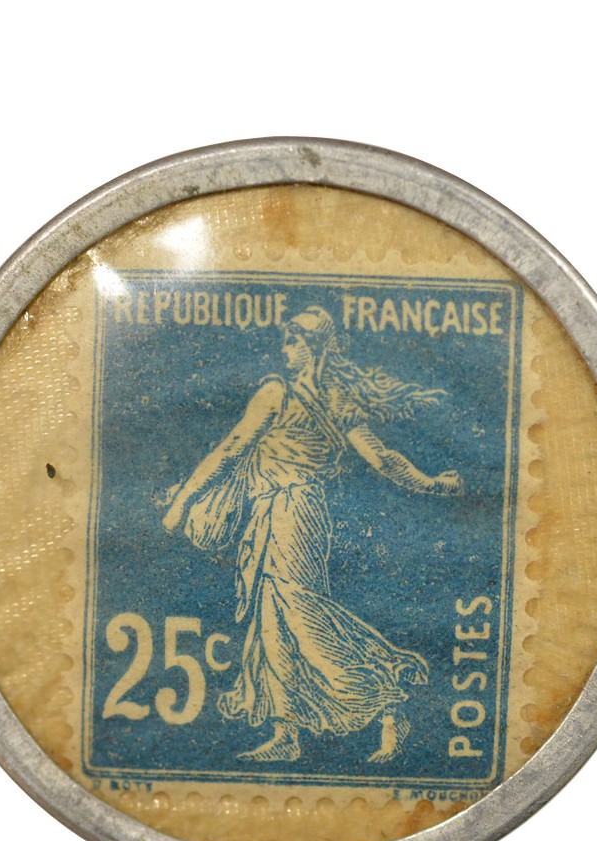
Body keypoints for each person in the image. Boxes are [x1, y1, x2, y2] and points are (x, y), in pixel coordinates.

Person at [161, 306, 463, 763]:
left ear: (312, 346)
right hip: (287, 512)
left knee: (300, 615)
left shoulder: (278, 392)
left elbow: (232, 448)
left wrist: (183, 502)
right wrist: (432, 483)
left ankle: (386, 697)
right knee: (272, 619)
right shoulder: (337, 400)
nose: (284, 350)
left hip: (289, 512)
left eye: (292, 341)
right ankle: (286, 731)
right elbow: (383, 458)